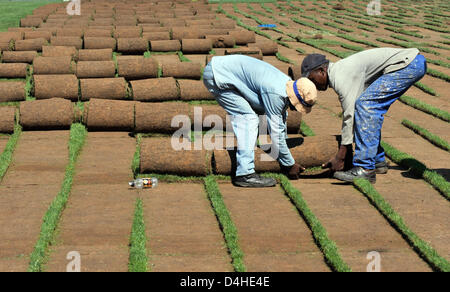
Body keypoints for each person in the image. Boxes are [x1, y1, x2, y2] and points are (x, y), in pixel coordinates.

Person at [301, 48, 426, 183]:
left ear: (321, 71)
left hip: (409, 65)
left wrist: (341, 155)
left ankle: (365, 169)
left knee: (367, 106)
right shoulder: (339, 72)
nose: (312, 85)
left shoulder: (340, 76)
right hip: (411, 63)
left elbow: (349, 116)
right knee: (364, 106)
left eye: (312, 79)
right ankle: (377, 161)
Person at [203, 55, 318, 187]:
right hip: (219, 75)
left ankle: (247, 157)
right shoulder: (276, 93)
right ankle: (244, 174)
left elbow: (281, 116)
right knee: (248, 119)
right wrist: (290, 164)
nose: (296, 110)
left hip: (223, 69)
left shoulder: (287, 85)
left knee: (262, 112)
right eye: (298, 106)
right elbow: (276, 133)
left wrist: (283, 147)